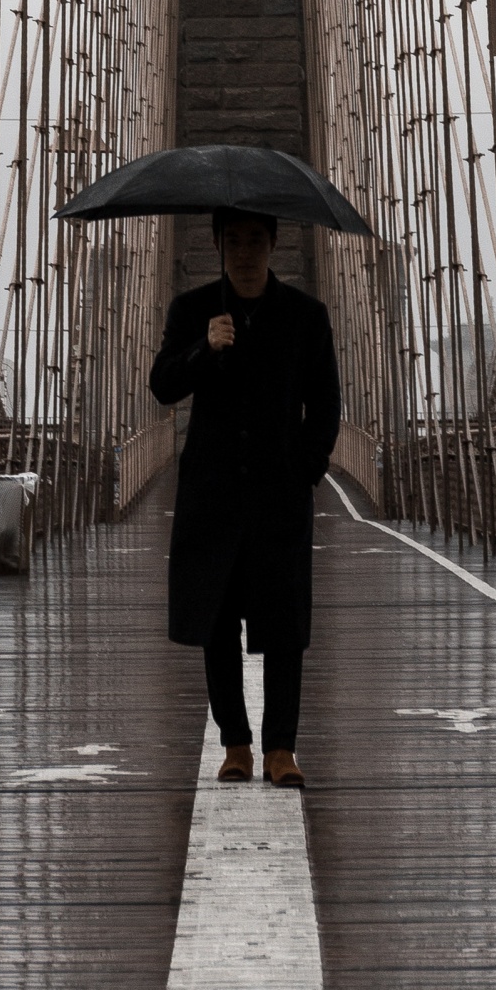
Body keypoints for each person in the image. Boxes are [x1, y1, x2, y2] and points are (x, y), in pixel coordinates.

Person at [149, 208, 341, 788]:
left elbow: (326, 404)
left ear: (275, 242)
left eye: (256, 238)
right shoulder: (193, 311)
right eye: (233, 240)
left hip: (278, 499)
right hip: (212, 498)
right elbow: (163, 386)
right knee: (217, 623)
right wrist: (205, 349)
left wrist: (304, 470)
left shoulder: (306, 317)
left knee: (285, 625)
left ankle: (282, 749)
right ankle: (236, 745)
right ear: (216, 243)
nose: (245, 250)